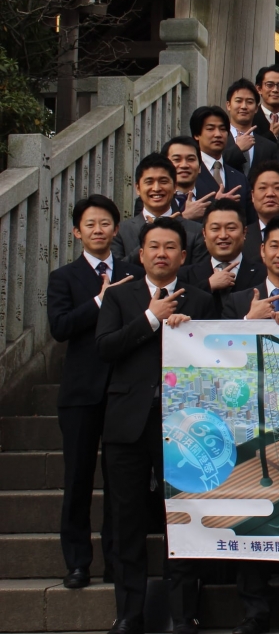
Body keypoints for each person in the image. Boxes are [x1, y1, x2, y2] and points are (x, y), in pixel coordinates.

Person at [96, 216, 217, 634]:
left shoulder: (200, 300)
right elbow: (105, 348)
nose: (161, 254)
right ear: (141, 253)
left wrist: (190, 333)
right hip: (127, 422)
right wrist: (151, 317)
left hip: (184, 428)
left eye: (170, 247)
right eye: (154, 247)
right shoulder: (119, 296)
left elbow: (214, 362)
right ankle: (129, 614)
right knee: (126, 519)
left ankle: (183, 615)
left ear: (183, 256)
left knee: (182, 518)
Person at [47, 195, 143, 591]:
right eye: (90, 224)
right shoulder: (63, 277)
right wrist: (102, 299)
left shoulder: (134, 272)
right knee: (78, 479)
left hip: (124, 389)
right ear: (77, 232)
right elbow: (60, 327)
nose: (98, 230)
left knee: (121, 484)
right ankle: (77, 562)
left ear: (116, 229)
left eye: (105, 223)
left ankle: (117, 561)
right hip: (81, 393)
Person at [111, 154, 208, 263]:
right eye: (149, 182)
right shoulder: (121, 231)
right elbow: (117, 270)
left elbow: (198, 271)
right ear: (138, 188)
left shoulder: (196, 231)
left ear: (175, 186)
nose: (156, 188)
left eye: (163, 181)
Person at [177, 199, 266, 310]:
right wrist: (208, 286)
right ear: (204, 233)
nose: (223, 235)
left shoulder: (264, 274)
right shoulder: (185, 276)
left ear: (244, 232)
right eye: (215, 229)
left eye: (231, 228)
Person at [191, 105, 250, 205]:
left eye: (223, 129)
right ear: (196, 135)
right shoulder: (189, 173)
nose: (218, 134)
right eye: (210, 129)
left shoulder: (239, 178)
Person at [224, 78, 279, 173]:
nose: (244, 106)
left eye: (249, 102)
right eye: (238, 101)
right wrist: (237, 150)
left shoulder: (270, 147)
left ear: (256, 108)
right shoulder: (218, 140)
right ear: (228, 105)